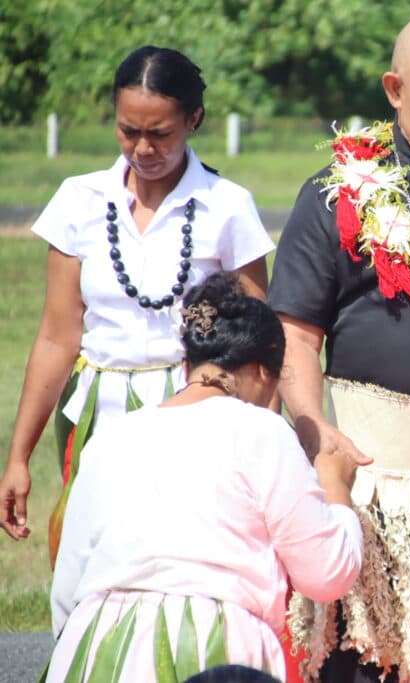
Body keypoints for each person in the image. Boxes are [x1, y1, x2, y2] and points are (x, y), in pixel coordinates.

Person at [267, 12, 410, 682]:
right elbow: (297, 334)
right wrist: (317, 437)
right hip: (361, 472)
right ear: (394, 89)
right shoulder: (335, 192)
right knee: (357, 662)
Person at [0, 46, 274, 564]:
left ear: (193, 120)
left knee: (184, 560)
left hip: (196, 410)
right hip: (99, 411)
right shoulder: (79, 200)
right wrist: (18, 457)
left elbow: (257, 340)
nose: (143, 149)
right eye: (128, 131)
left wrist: (262, 444)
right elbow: (58, 337)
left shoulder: (227, 206)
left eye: (160, 134)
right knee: (93, 557)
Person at [45, 273, 363, 682]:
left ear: (186, 365)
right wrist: (336, 488)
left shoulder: (112, 437)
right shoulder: (262, 433)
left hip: (97, 645)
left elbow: (67, 588)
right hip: (214, 648)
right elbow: (327, 572)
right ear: (266, 373)